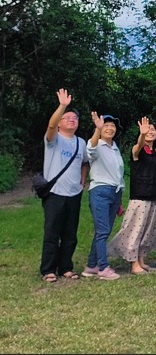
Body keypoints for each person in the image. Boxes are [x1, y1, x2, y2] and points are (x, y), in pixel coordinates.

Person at [39, 89, 89, 283]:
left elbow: (85, 162)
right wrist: (62, 106)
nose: (71, 120)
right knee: (52, 233)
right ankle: (48, 269)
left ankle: (66, 267)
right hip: (54, 193)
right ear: (60, 122)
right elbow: (51, 125)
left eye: (75, 118)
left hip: (74, 193)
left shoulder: (81, 142)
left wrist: (83, 179)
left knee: (70, 234)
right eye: (67, 117)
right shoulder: (54, 139)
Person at [108, 117, 156, 274]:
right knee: (135, 230)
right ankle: (133, 264)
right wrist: (141, 136)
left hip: (154, 197)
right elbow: (138, 147)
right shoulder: (137, 150)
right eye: (148, 130)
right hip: (140, 197)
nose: (150, 132)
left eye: (153, 130)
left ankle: (141, 260)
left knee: (148, 231)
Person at [82, 111, 125, 280]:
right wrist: (96, 130)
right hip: (100, 190)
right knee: (103, 230)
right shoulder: (96, 144)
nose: (109, 128)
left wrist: (119, 199)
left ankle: (91, 266)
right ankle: (103, 267)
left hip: (114, 192)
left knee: (103, 231)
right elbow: (90, 150)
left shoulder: (115, 147)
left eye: (112, 126)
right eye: (106, 125)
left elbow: (118, 174)